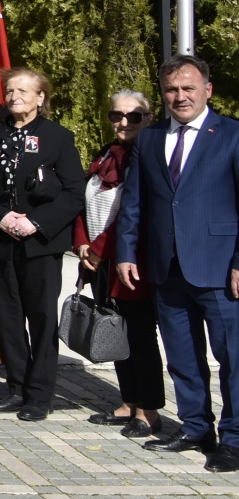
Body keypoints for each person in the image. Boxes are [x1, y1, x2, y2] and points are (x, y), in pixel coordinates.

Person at [117, 55, 239, 470]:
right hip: (165, 267)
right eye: (172, 89)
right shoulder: (150, 140)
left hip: (220, 269)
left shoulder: (233, 135)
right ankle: (196, 428)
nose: (180, 96)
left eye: (188, 88)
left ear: (208, 90)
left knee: (233, 358)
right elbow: (133, 202)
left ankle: (235, 439)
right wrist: (126, 252)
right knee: (182, 356)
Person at [0, 67, 84, 422]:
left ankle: (40, 394)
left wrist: (36, 222)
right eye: (10, 91)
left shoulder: (57, 137)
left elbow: (74, 191)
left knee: (42, 318)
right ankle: (17, 386)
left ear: (40, 97)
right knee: (8, 317)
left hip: (39, 244)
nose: (14, 97)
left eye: (23, 91)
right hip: (0, 240)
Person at [75, 89, 162, 437]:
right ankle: (128, 401)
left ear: (149, 118)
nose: (124, 122)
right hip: (99, 262)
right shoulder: (105, 155)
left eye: (134, 116)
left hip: (131, 262)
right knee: (116, 334)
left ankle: (149, 409)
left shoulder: (149, 157)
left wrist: (99, 247)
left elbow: (133, 214)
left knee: (140, 336)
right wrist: (81, 243)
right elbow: (87, 202)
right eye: (117, 115)